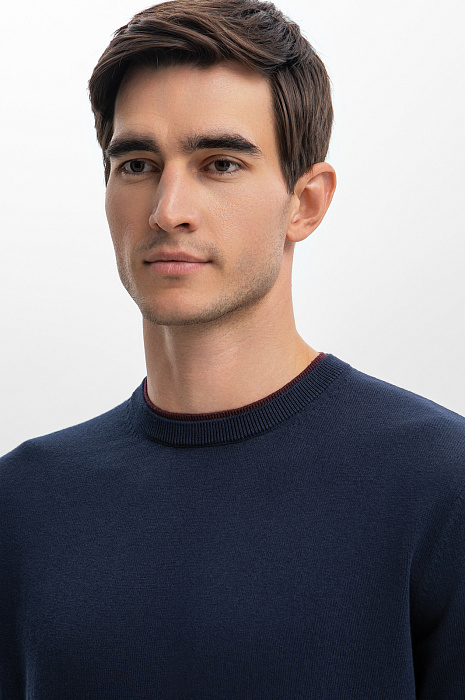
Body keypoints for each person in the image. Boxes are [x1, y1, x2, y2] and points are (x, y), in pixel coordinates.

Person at [1, 0, 464, 697]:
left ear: (306, 203)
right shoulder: (22, 504)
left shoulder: (441, 484)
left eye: (218, 163)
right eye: (137, 164)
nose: (167, 210)